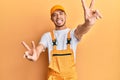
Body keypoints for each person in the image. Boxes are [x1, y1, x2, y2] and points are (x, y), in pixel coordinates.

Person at [21, 0, 102, 80]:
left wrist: (88, 24)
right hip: (53, 77)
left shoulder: (73, 34)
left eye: (61, 13)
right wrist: (36, 53)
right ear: (51, 19)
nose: (58, 17)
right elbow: (39, 48)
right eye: (54, 15)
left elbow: (82, 29)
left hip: (71, 77)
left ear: (65, 16)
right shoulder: (47, 36)